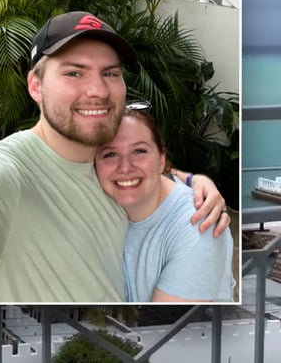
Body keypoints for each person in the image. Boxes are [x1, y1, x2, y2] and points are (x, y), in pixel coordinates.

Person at [0, 11, 230, 303]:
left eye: (110, 73)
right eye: (74, 73)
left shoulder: (104, 168)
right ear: (36, 86)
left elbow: (144, 170)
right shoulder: (5, 171)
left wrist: (195, 180)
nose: (98, 91)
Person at [95, 104, 235, 302]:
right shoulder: (97, 201)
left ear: (161, 159)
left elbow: (170, 326)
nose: (125, 167)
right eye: (110, 154)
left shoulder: (198, 224)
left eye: (139, 151)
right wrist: (192, 178)